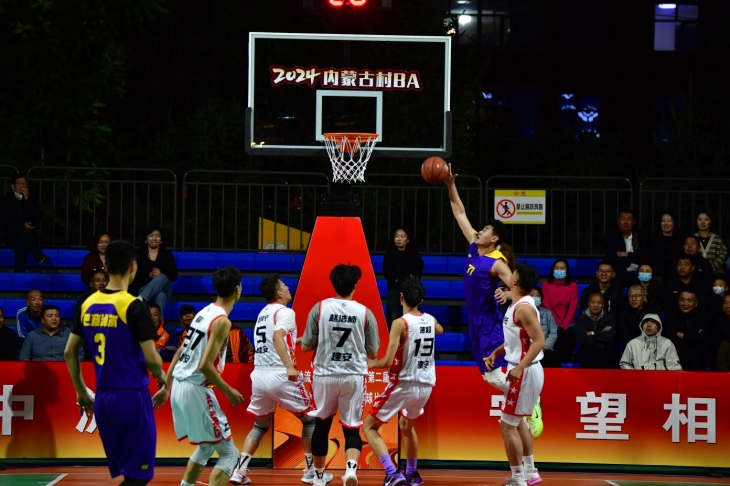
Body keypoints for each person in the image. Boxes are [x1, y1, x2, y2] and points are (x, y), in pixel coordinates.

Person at [64, 239, 168, 486]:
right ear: (133, 266)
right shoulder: (133, 306)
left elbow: (69, 351)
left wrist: (81, 391)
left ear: (106, 266)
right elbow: (152, 358)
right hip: (130, 398)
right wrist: (163, 379)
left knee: (131, 475)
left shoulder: (87, 303)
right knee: (138, 477)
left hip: (103, 400)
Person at [231, 274, 327, 485]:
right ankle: (310, 471)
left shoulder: (263, 313)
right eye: (284, 285)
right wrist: (289, 366)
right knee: (310, 419)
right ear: (279, 293)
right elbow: (277, 337)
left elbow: (275, 339)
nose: (288, 288)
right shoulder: (286, 312)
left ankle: (239, 470)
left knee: (260, 425)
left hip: (259, 375)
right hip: (280, 374)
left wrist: (298, 340)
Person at [157, 265, 244, 486]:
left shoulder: (204, 312)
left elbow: (180, 351)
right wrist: (229, 390)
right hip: (195, 388)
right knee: (229, 453)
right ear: (238, 289)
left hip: (180, 385)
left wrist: (167, 386)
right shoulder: (222, 321)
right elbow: (205, 365)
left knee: (206, 447)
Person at [300, 264, 381, 486]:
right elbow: (373, 353)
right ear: (355, 285)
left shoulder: (320, 308)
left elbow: (306, 347)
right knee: (352, 427)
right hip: (353, 376)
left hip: (325, 375)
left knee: (321, 425)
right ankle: (350, 470)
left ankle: (318, 477)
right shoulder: (365, 313)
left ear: (334, 284)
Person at [363, 278, 443, 486]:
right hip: (426, 385)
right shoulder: (430, 319)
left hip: (404, 383)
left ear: (401, 298)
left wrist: (372, 363)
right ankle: (412, 474)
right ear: (421, 300)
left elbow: (388, 361)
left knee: (369, 427)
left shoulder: (400, 323)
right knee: (407, 426)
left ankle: (392, 473)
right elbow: (440, 330)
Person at [444, 165, 514, 391]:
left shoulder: (497, 263)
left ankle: (530, 400)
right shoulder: (474, 245)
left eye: (486, 230)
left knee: (494, 375)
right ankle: (523, 406)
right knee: (488, 376)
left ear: (494, 239)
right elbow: (459, 213)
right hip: (473, 319)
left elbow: (521, 289)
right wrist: (450, 185)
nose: (480, 231)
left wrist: (508, 294)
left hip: (488, 321)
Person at [485, 262, 545, 486]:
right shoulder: (517, 304)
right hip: (524, 368)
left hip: (524, 370)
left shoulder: (524, 309)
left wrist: (519, 367)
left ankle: (518, 478)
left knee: (507, 425)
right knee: (518, 423)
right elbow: (519, 338)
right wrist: (497, 351)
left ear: (516, 281)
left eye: (514, 273)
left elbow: (539, 341)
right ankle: (530, 472)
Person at [1, 172, 47, 272]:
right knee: (18, 232)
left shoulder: (31, 199)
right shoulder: (5, 201)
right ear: (12, 186)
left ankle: (19, 276)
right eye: (19, 183)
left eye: (24, 183)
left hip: (29, 236)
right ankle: (38, 255)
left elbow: (38, 216)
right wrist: (22, 225)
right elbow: (5, 221)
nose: (22, 186)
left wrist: (27, 199)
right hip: (12, 235)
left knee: (20, 245)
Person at [382, 227, 424, 327]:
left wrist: (408, 281)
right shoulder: (389, 253)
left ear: (407, 239)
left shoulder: (413, 254)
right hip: (394, 291)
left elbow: (418, 269)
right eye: (397, 236)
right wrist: (399, 280)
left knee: (413, 321)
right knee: (393, 320)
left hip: (410, 292)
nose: (399, 239)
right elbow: (388, 272)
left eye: (402, 236)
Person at [130, 225, 178, 312]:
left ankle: (141, 299)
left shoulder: (167, 254)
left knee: (162, 277)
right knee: (160, 296)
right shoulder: (138, 254)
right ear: (146, 238)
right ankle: (158, 321)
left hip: (163, 288)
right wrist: (148, 275)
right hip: (142, 287)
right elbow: (132, 275)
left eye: (157, 236)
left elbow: (174, 276)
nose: (154, 238)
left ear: (161, 238)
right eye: (151, 235)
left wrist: (161, 274)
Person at [541, 259, 578, 365]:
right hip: (551, 319)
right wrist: (557, 323)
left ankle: (566, 361)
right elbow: (547, 305)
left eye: (562, 268)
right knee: (555, 333)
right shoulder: (545, 285)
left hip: (569, 321)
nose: (559, 270)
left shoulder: (573, 286)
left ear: (567, 270)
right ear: (552, 270)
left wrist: (564, 324)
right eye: (556, 268)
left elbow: (572, 306)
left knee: (569, 334)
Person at [603, 208, 650, 288]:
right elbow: (611, 257)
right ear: (618, 221)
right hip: (619, 272)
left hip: (637, 270)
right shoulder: (611, 236)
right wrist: (633, 257)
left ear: (634, 222)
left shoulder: (640, 235)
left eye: (629, 219)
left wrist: (626, 254)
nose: (625, 222)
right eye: (623, 219)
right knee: (619, 271)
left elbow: (643, 255)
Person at [665, 290, 707, 371]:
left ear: (696, 303)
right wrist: (694, 336)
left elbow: (703, 338)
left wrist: (683, 335)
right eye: (682, 300)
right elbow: (670, 337)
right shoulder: (672, 316)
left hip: (698, 360)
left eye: (689, 301)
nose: (685, 303)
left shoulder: (702, 317)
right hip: (676, 358)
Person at [575, 293, 617, 369]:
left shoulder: (609, 318)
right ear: (588, 303)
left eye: (599, 302)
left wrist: (591, 333)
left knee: (605, 361)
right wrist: (601, 333)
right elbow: (582, 339)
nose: (596, 305)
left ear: (603, 305)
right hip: (586, 350)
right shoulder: (581, 319)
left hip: (604, 349)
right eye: (593, 302)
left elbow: (610, 336)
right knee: (587, 362)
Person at [529, 287, 559, 368]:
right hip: (527, 349)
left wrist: (543, 347)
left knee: (554, 361)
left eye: (537, 295)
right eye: (531, 295)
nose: (534, 298)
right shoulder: (521, 312)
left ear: (541, 298)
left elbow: (553, 333)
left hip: (544, 349)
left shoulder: (547, 313)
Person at [651, 211, 684, 282]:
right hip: (658, 275)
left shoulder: (680, 240)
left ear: (674, 224)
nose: (666, 223)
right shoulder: (653, 239)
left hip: (675, 275)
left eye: (669, 221)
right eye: (663, 221)